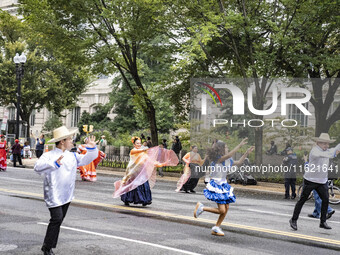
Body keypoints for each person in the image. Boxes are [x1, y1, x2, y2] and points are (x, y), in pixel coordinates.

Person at [34, 126, 98, 255]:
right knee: (56, 218)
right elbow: (37, 167)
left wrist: (91, 148)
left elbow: (87, 159)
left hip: (67, 194)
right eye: (70, 139)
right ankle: (47, 248)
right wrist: (54, 164)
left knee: (59, 219)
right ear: (62, 141)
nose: (72, 141)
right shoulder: (48, 155)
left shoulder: (73, 156)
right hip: (53, 194)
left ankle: (48, 244)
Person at [193, 138, 252, 236]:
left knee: (226, 207)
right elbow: (229, 155)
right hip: (216, 184)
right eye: (226, 147)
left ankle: (216, 227)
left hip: (223, 185)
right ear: (221, 149)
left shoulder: (228, 160)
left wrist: (246, 153)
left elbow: (239, 162)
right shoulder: (218, 159)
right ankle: (201, 208)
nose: (227, 148)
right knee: (222, 210)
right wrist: (240, 145)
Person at [290, 133, 340, 231]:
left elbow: (333, 150)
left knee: (325, 200)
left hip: (322, 181)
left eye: (328, 144)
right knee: (302, 200)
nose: (327, 146)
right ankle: (293, 220)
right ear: (318, 143)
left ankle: (322, 222)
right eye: (325, 144)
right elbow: (327, 154)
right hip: (310, 180)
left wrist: (336, 149)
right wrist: (334, 152)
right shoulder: (315, 151)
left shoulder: (326, 150)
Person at [113, 136, 178, 206]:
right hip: (133, 172)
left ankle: (144, 200)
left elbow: (151, 161)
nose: (139, 144)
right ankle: (128, 199)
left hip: (142, 172)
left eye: (140, 143)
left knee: (143, 184)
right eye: (137, 143)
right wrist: (144, 150)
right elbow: (137, 151)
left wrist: (162, 164)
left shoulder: (143, 153)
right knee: (131, 184)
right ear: (134, 144)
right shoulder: (133, 151)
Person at [303, 155, 335, 220]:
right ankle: (316, 213)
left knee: (318, 198)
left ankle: (329, 210)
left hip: (316, 180)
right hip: (324, 179)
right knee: (318, 197)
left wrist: (306, 161)